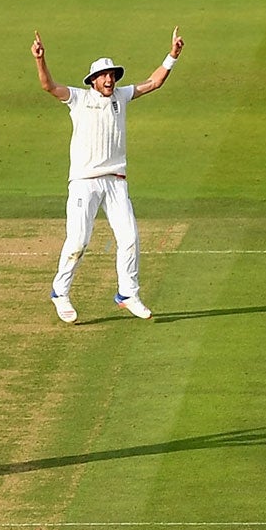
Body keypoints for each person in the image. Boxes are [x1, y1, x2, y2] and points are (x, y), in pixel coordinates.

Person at [32, 28, 184, 323]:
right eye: (104, 76)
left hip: (116, 181)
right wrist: (40, 59)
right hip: (84, 182)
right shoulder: (78, 98)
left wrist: (173, 55)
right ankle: (59, 291)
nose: (110, 79)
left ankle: (128, 293)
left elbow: (154, 82)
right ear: (93, 81)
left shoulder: (122, 96)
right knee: (78, 240)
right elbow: (49, 86)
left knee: (129, 238)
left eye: (113, 75)